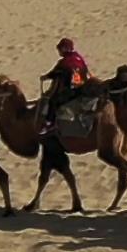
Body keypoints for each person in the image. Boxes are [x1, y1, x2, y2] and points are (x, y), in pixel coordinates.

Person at [37, 38, 94, 171]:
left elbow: (55, 73)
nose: (59, 52)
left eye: (60, 49)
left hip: (73, 90)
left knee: (53, 100)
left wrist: (45, 77)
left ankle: (49, 123)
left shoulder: (64, 62)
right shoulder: (79, 58)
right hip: (83, 89)